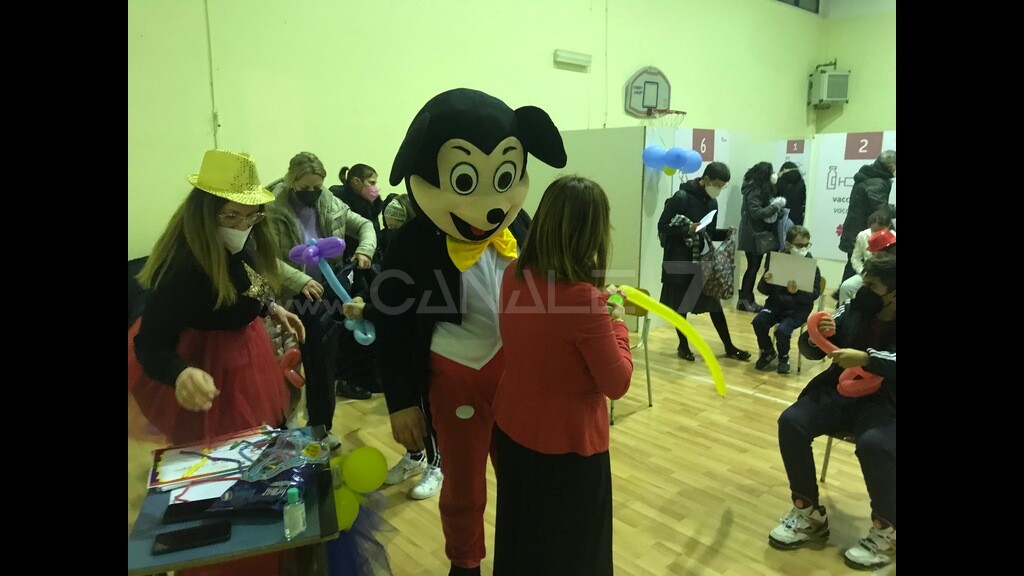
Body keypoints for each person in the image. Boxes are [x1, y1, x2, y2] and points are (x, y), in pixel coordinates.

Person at [373, 88, 566, 576]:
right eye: (465, 181)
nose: (490, 206)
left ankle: (522, 558)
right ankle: (465, 563)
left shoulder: (522, 225)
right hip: (454, 374)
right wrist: (401, 401)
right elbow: (391, 326)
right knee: (463, 484)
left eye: (504, 179)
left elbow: (548, 290)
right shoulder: (412, 245)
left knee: (524, 477)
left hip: (517, 375)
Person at [493, 176, 632, 576]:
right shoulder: (583, 299)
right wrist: (617, 320)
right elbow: (618, 383)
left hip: (513, 430)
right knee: (575, 556)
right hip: (566, 448)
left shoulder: (514, 273)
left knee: (522, 541)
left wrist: (601, 307)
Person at [129, 149, 305, 445]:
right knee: (221, 450)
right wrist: (180, 373)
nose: (242, 227)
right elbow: (151, 343)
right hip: (211, 373)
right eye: (231, 216)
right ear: (204, 212)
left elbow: (241, 285)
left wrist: (270, 308)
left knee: (254, 442)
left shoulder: (239, 244)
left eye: (251, 216)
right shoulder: (182, 269)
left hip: (247, 360)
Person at [770, 256, 896, 571]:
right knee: (792, 422)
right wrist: (815, 338)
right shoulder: (855, 307)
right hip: (841, 390)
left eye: (872, 285)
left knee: (875, 445)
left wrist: (866, 359)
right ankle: (808, 511)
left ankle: (888, 529)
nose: (863, 289)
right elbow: (816, 348)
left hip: (887, 401)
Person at [267, 152, 378, 448]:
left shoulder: (331, 204)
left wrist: (365, 249)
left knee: (322, 367)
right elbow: (265, 258)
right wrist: (300, 280)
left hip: (325, 296)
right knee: (285, 368)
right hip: (287, 299)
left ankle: (320, 427)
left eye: (317, 187)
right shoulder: (271, 211)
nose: (312, 193)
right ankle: (282, 430)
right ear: (291, 182)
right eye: (305, 188)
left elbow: (365, 226)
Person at [658, 162, 751, 361]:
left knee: (714, 304)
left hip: (701, 259)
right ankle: (683, 346)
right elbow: (663, 225)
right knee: (681, 307)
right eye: (716, 185)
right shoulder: (681, 197)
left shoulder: (712, 202)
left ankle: (729, 346)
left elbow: (709, 232)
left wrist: (725, 233)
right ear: (706, 179)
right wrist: (688, 229)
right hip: (678, 259)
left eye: (722, 186)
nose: (718, 189)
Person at [752, 226, 822, 374]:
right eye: (799, 245)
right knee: (758, 322)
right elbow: (763, 290)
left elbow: (814, 294)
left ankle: (784, 357)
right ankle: (768, 351)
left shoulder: (811, 267)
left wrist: (797, 292)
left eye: (806, 245)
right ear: (788, 244)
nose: (803, 249)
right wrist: (766, 281)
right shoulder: (777, 261)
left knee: (782, 331)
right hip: (775, 305)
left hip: (798, 310)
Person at [839, 150, 896, 282]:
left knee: (853, 266)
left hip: (855, 229)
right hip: (864, 231)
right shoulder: (877, 182)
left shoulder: (869, 175)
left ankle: (843, 292)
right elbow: (881, 210)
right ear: (891, 166)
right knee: (856, 268)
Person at [737, 162, 786, 312]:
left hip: (754, 234)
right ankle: (744, 300)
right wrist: (775, 207)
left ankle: (747, 298)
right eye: (771, 172)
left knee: (753, 267)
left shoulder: (755, 188)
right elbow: (756, 212)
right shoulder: (755, 191)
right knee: (752, 268)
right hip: (753, 236)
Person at [331, 164, 384, 262]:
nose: (375, 188)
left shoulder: (372, 204)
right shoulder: (337, 200)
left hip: (366, 256)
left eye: (375, 183)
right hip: (344, 258)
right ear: (356, 181)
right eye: (371, 183)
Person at [838, 211, 893, 303]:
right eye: (873, 231)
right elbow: (855, 259)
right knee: (846, 286)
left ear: (888, 226)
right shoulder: (863, 235)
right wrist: (863, 272)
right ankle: (845, 311)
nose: (875, 235)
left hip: (888, 277)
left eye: (880, 231)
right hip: (867, 274)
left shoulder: (893, 238)